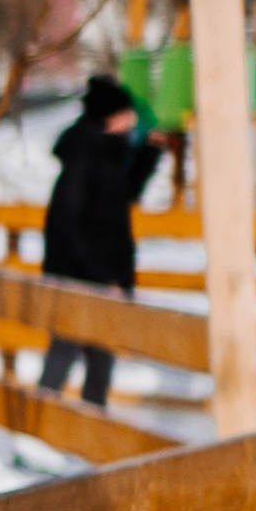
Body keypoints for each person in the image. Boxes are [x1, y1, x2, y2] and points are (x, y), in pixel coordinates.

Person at [36, 71, 159, 409]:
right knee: (65, 351)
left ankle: (86, 434)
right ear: (111, 117)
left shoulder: (104, 153)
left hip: (96, 276)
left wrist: (149, 154)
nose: (132, 120)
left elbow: (122, 195)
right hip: (80, 278)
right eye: (126, 113)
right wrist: (103, 279)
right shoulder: (86, 159)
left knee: (99, 359)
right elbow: (68, 226)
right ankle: (38, 430)